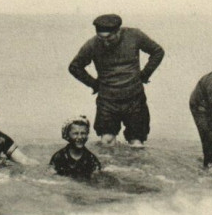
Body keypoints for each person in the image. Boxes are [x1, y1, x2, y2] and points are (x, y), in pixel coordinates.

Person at [69, 14, 165, 148]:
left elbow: (157, 51)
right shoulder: (92, 44)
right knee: (107, 141)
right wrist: (94, 84)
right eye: (101, 38)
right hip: (107, 101)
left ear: (118, 31)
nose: (105, 42)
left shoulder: (135, 35)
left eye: (109, 38)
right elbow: (74, 67)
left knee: (136, 143)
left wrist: (144, 75)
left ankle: (138, 169)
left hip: (134, 99)